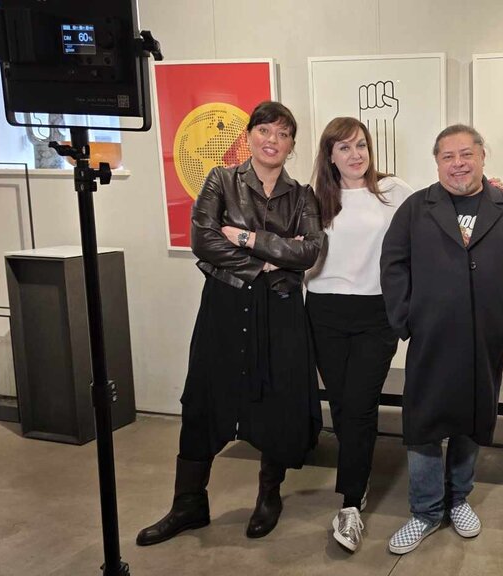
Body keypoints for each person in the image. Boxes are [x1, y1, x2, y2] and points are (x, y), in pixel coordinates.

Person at [136, 101, 324, 546]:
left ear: (291, 145)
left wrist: (243, 236)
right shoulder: (221, 180)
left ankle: (269, 496)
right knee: (204, 395)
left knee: (276, 399)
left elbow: (309, 252)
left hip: (280, 310)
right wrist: (265, 263)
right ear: (249, 136)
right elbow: (203, 239)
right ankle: (188, 503)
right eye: (265, 131)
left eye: (282, 134)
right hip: (225, 305)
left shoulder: (302, 196)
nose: (272, 140)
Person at [380, 124, 503, 554]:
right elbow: (394, 263)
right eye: (448, 157)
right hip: (431, 337)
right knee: (423, 424)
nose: (458, 164)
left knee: (472, 421)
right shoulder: (417, 208)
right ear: (437, 163)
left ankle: (458, 500)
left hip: (484, 339)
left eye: (466, 154)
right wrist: (404, 319)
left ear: (482, 156)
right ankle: (425, 511)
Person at [305, 117, 414, 552]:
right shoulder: (314, 199)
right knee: (341, 404)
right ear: (330, 155)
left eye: (361, 145)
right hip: (324, 311)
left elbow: (437, 213)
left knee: (360, 404)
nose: (356, 155)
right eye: (345, 147)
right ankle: (358, 480)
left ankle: (350, 504)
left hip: (376, 312)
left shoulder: (392, 191)